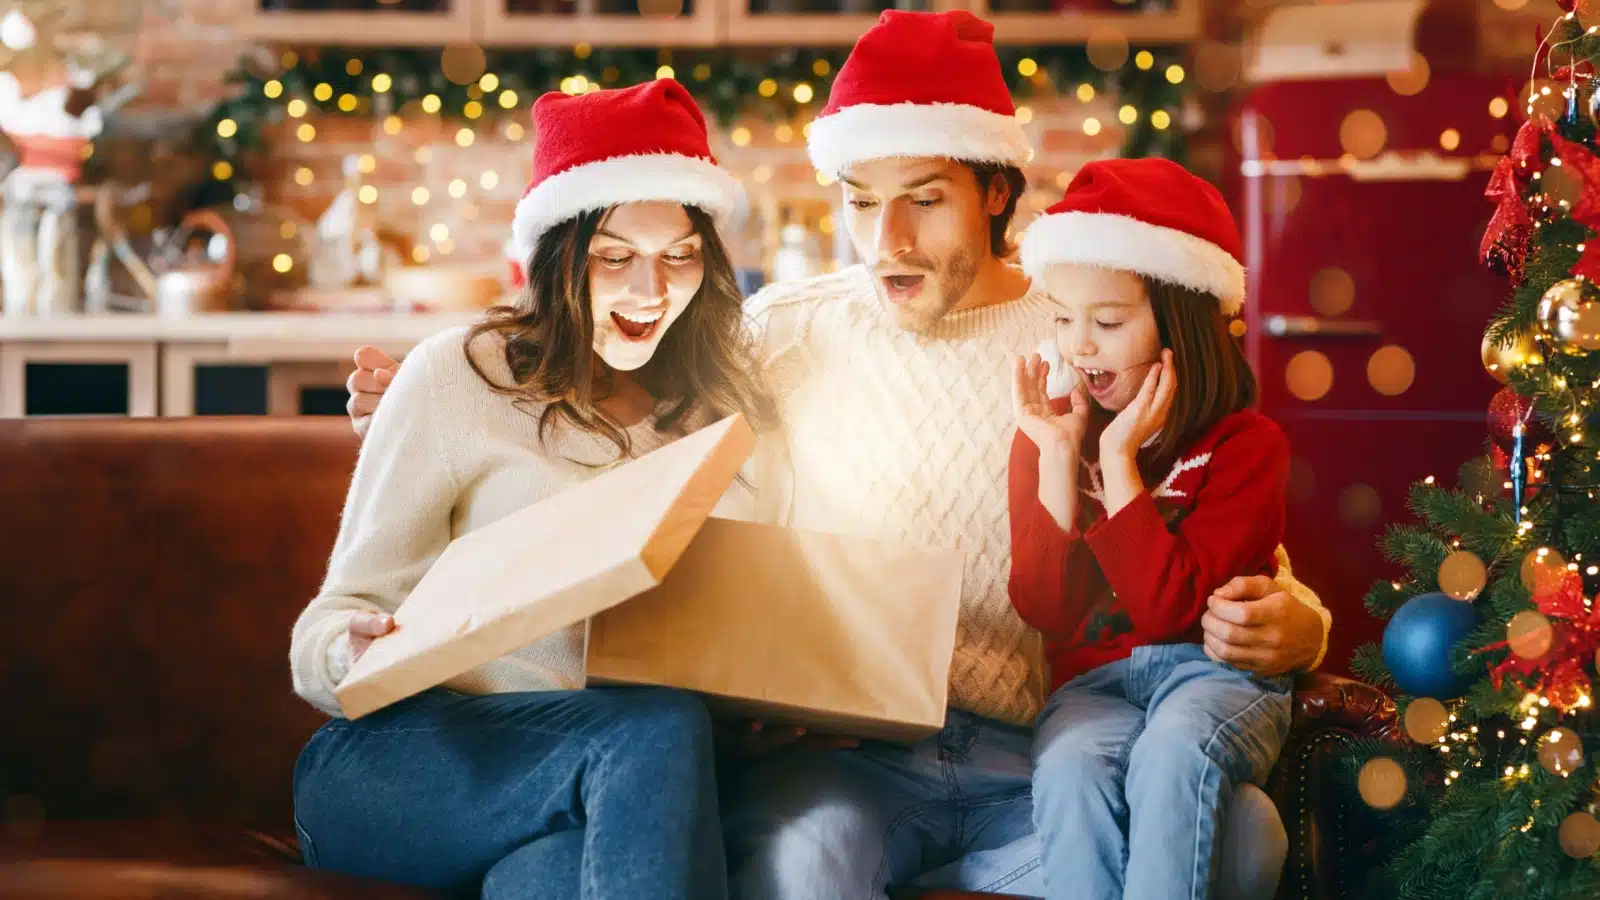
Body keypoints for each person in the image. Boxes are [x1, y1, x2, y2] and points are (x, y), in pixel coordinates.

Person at [344, 12, 1333, 898]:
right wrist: (453, 400)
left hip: (1033, 753)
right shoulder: (782, 332)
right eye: (860, 202)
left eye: (923, 200)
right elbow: (619, 425)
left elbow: (1201, 512)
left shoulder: (1083, 326)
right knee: (801, 858)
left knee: (1241, 841)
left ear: (995, 191)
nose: (885, 239)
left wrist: (1302, 621)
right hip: (848, 760)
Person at [290, 79, 773, 900]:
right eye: (615, 256)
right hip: (412, 759)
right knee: (652, 730)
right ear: (557, 254)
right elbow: (323, 631)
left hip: (621, 790)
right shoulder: (457, 375)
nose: (650, 290)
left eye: (679, 256)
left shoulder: (728, 418)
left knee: (558, 873)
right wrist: (358, 648)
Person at [1008, 158, 1293, 900]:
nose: (1078, 347)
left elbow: (1173, 612)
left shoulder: (1245, 446)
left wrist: (1120, 464)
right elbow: (1045, 609)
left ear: (1183, 322)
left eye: (1105, 323)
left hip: (1214, 677)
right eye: (1063, 319)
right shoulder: (1053, 436)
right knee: (1070, 769)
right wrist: (1060, 458)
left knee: (1173, 751)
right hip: (1093, 687)